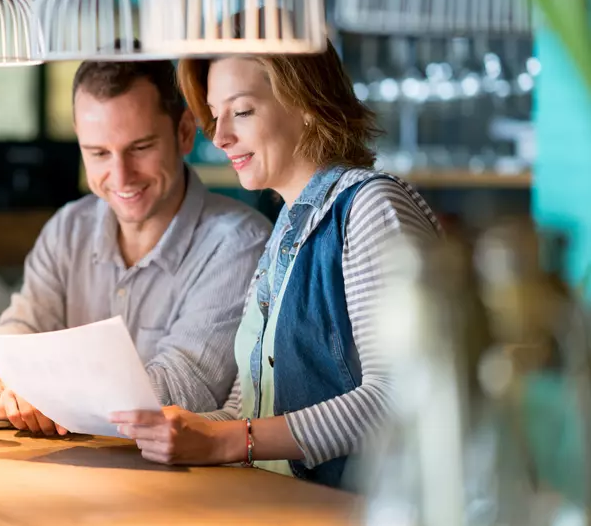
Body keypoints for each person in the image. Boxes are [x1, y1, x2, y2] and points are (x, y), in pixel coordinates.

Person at [111, 45, 441, 488]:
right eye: (215, 115)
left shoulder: (369, 208)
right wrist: (152, 431)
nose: (220, 136)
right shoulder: (287, 228)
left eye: (241, 111)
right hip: (285, 512)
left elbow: (400, 395)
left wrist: (225, 441)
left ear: (306, 103)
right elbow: (247, 414)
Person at [0, 60, 272, 434]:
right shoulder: (70, 227)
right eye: (98, 153)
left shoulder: (239, 244)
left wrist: (24, 388)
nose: (121, 175)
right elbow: (17, 331)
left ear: (184, 133)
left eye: (140, 147)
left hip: (185, 486)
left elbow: (179, 391)